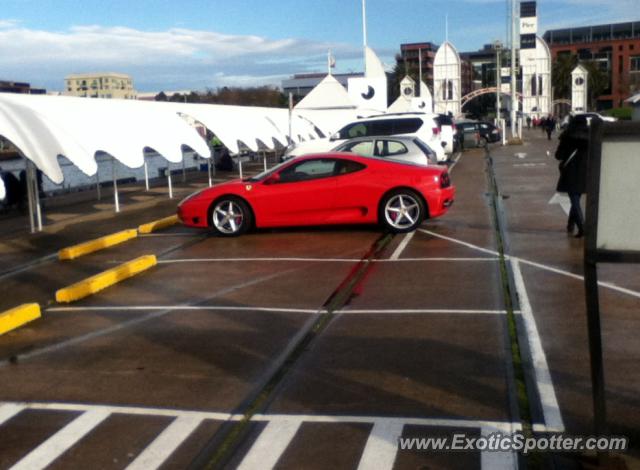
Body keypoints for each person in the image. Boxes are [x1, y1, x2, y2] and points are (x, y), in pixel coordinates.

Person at [554, 115, 592, 238]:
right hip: (584, 172)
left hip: (570, 171)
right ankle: (570, 225)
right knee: (575, 198)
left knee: (574, 200)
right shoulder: (590, 136)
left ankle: (581, 226)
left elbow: (558, 155)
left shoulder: (567, 136)